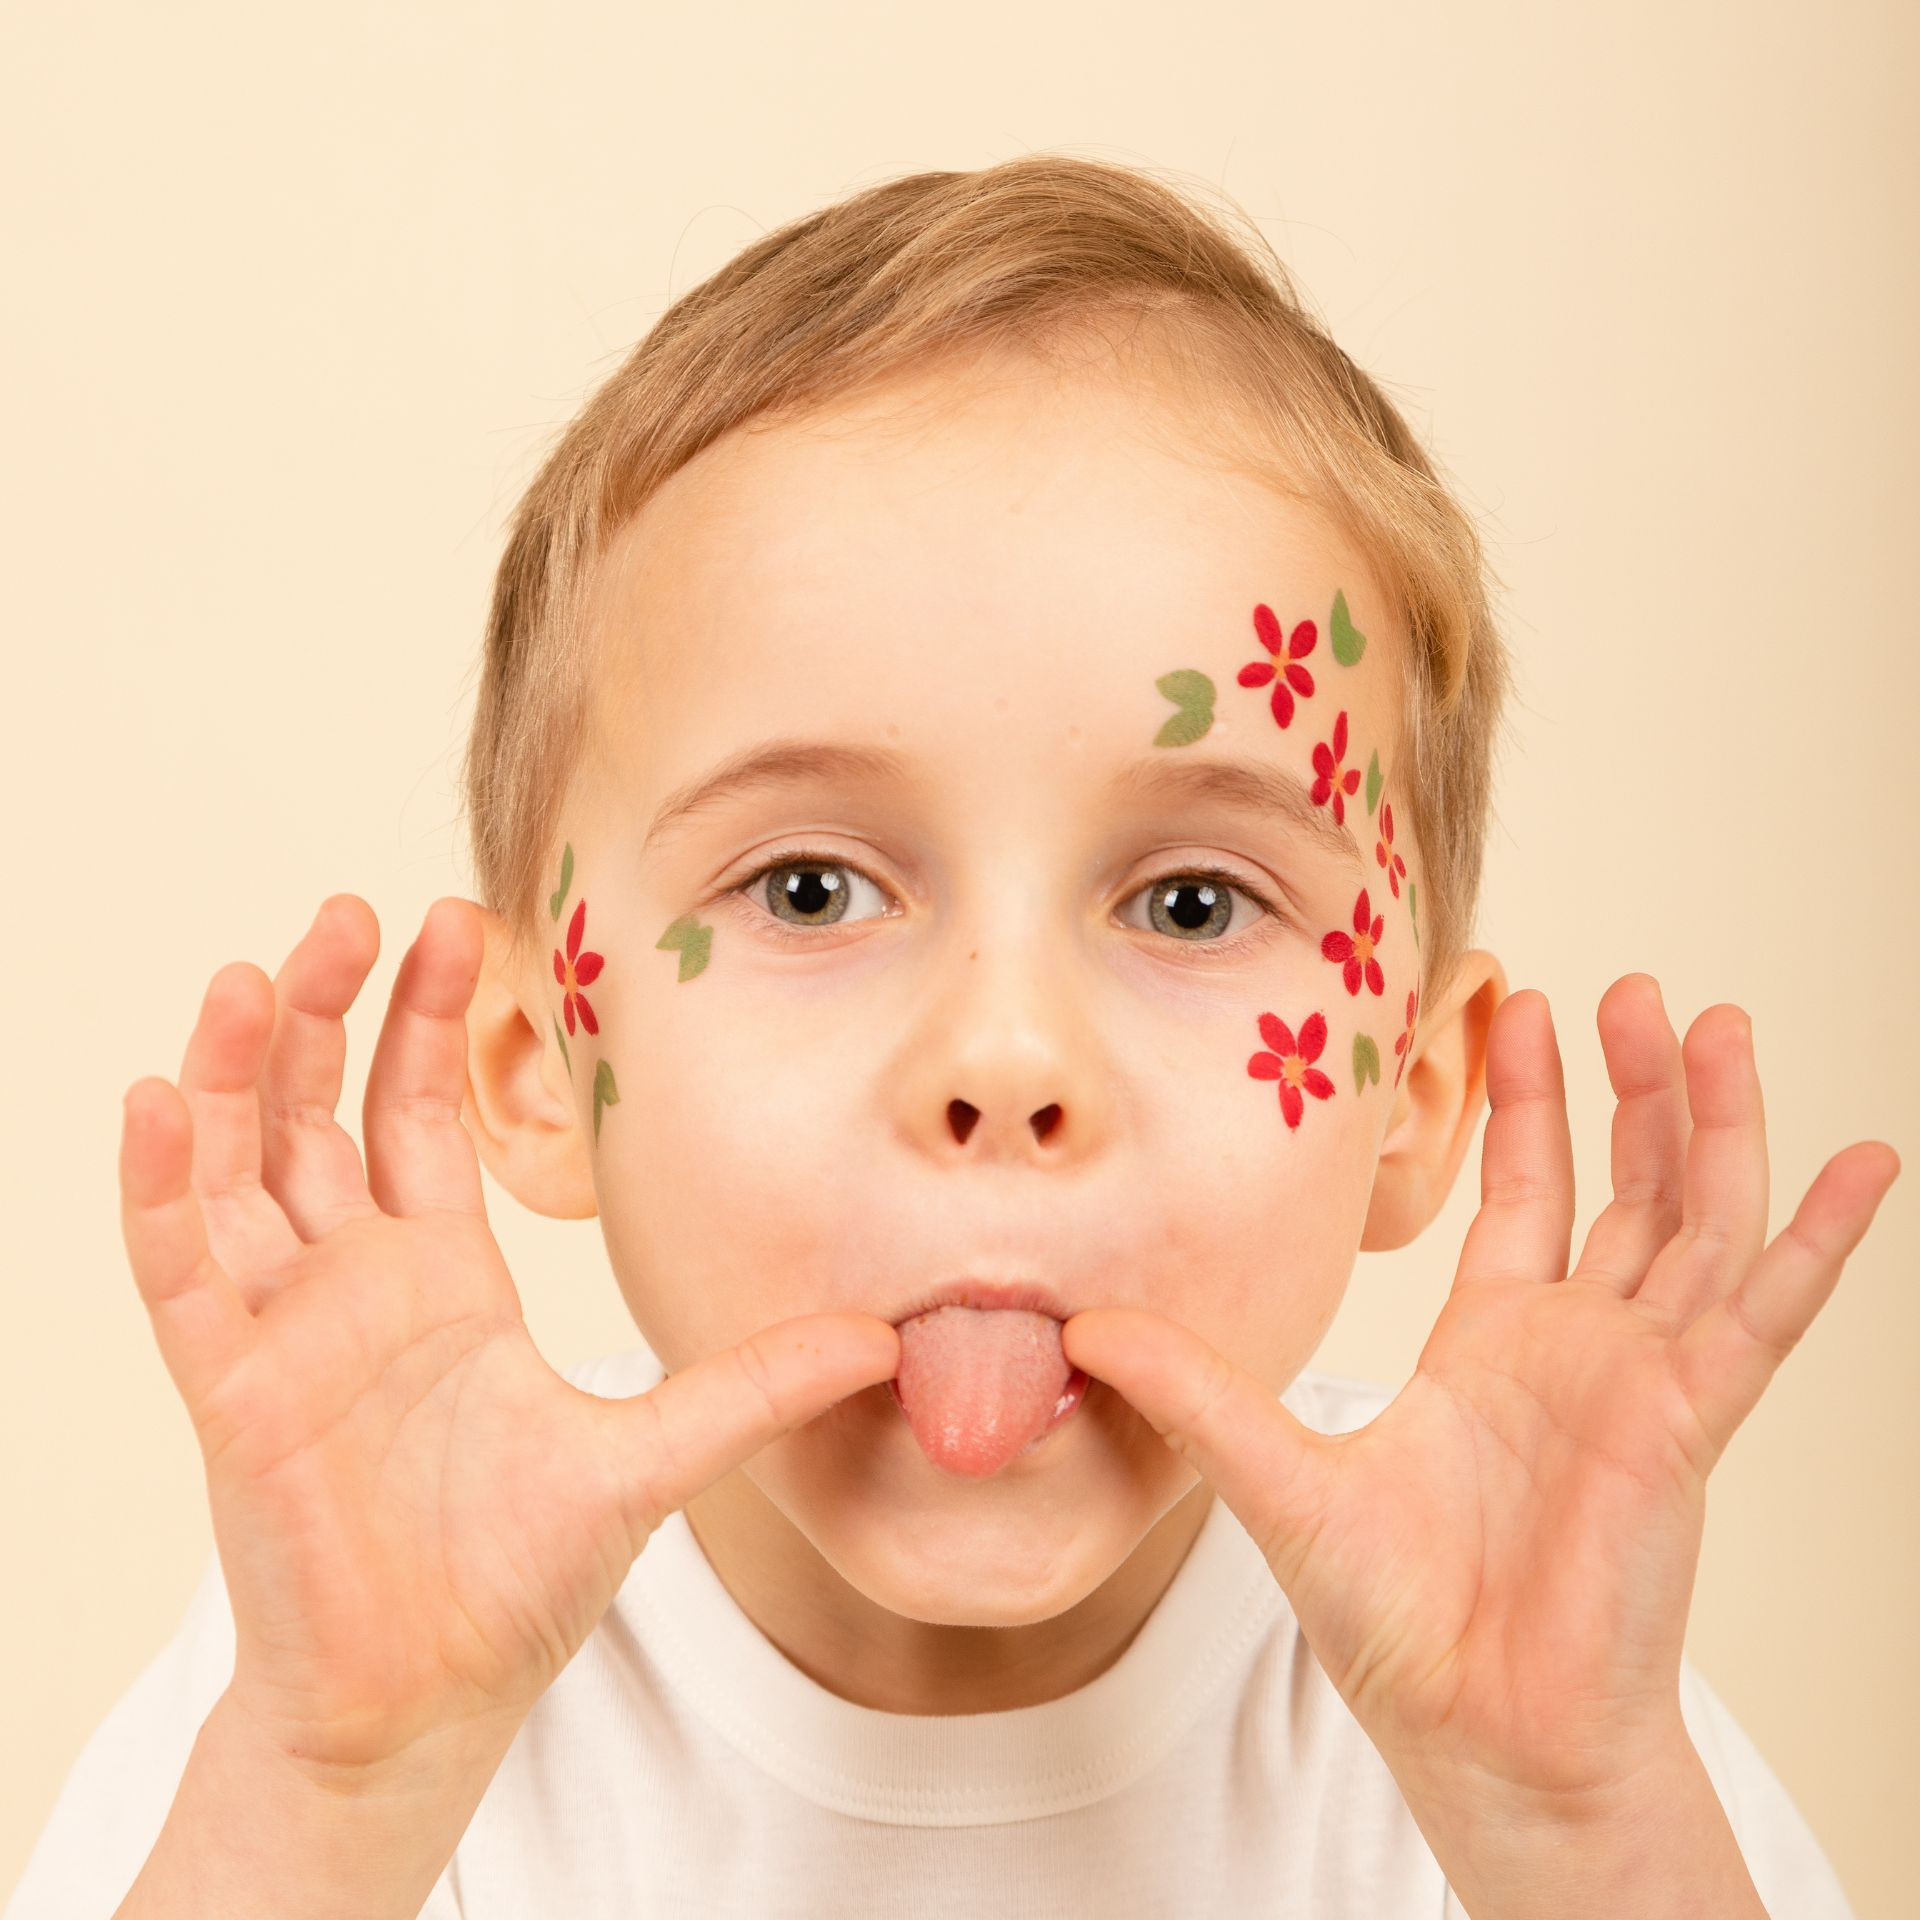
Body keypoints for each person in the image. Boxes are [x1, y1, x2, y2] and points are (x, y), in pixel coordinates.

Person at [9, 155, 1898, 1920]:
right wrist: (332, 1803)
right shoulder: (368, 1669)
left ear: (1412, 1091)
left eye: (1191, 904)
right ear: (531, 1059)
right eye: (813, 890)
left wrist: (1573, 1830)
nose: (1005, 1057)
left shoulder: (1521, 1671)